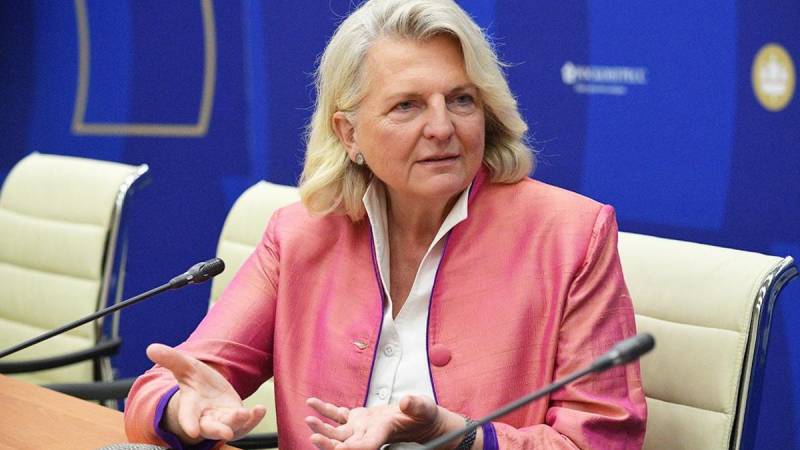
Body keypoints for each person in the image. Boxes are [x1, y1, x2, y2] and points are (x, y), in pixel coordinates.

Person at [124, 0, 647, 448]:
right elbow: (173, 383)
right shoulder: (300, 235)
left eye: (461, 99)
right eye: (407, 105)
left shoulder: (571, 236)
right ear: (349, 133)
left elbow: (598, 440)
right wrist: (182, 410)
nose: (441, 127)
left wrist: (459, 435)